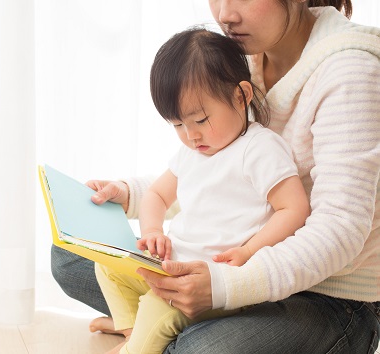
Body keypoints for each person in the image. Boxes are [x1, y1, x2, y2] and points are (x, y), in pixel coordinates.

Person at [51, 1, 380, 353]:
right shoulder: (239, 56)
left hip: (329, 296)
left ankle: (162, 330)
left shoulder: (349, 69)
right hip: (228, 265)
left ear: (242, 96)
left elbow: (340, 229)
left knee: (201, 349)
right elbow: (216, 182)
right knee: (70, 255)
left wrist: (227, 285)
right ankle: (150, 327)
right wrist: (128, 194)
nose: (225, 14)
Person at [94, 27, 310, 354]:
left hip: (214, 282)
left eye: (200, 119)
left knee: (157, 307)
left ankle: (137, 342)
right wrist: (153, 232)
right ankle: (132, 333)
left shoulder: (259, 149)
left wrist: (249, 252)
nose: (191, 136)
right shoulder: (193, 152)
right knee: (107, 265)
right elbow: (156, 195)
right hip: (174, 266)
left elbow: (294, 209)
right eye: (178, 125)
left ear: (241, 96)